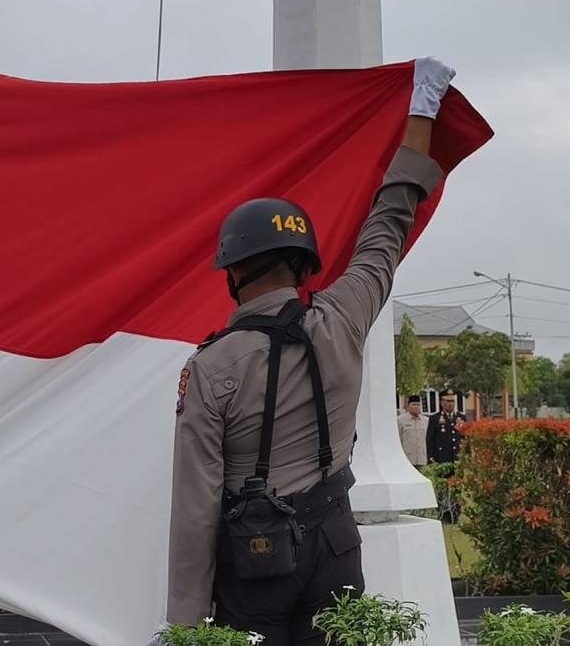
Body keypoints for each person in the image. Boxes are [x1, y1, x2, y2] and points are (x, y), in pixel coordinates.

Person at [161, 57, 457, 645]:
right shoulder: (344, 316)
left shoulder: (210, 367)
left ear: (233, 273)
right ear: (304, 266)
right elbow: (389, 223)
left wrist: (186, 627)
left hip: (256, 561)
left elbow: (196, 508)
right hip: (336, 546)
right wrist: (422, 107)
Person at [426, 389, 466, 464]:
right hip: (441, 457)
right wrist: (431, 457)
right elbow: (430, 439)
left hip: (457, 456)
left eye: (452, 401)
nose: (451, 404)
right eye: (448, 401)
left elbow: (464, 437)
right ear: (442, 403)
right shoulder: (435, 418)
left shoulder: (461, 417)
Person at [397, 395, 429, 468]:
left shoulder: (426, 421)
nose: (416, 407)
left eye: (418, 405)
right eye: (414, 405)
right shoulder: (400, 421)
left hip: (422, 459)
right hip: (407, 459)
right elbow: (398, 439)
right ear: (408, 406)